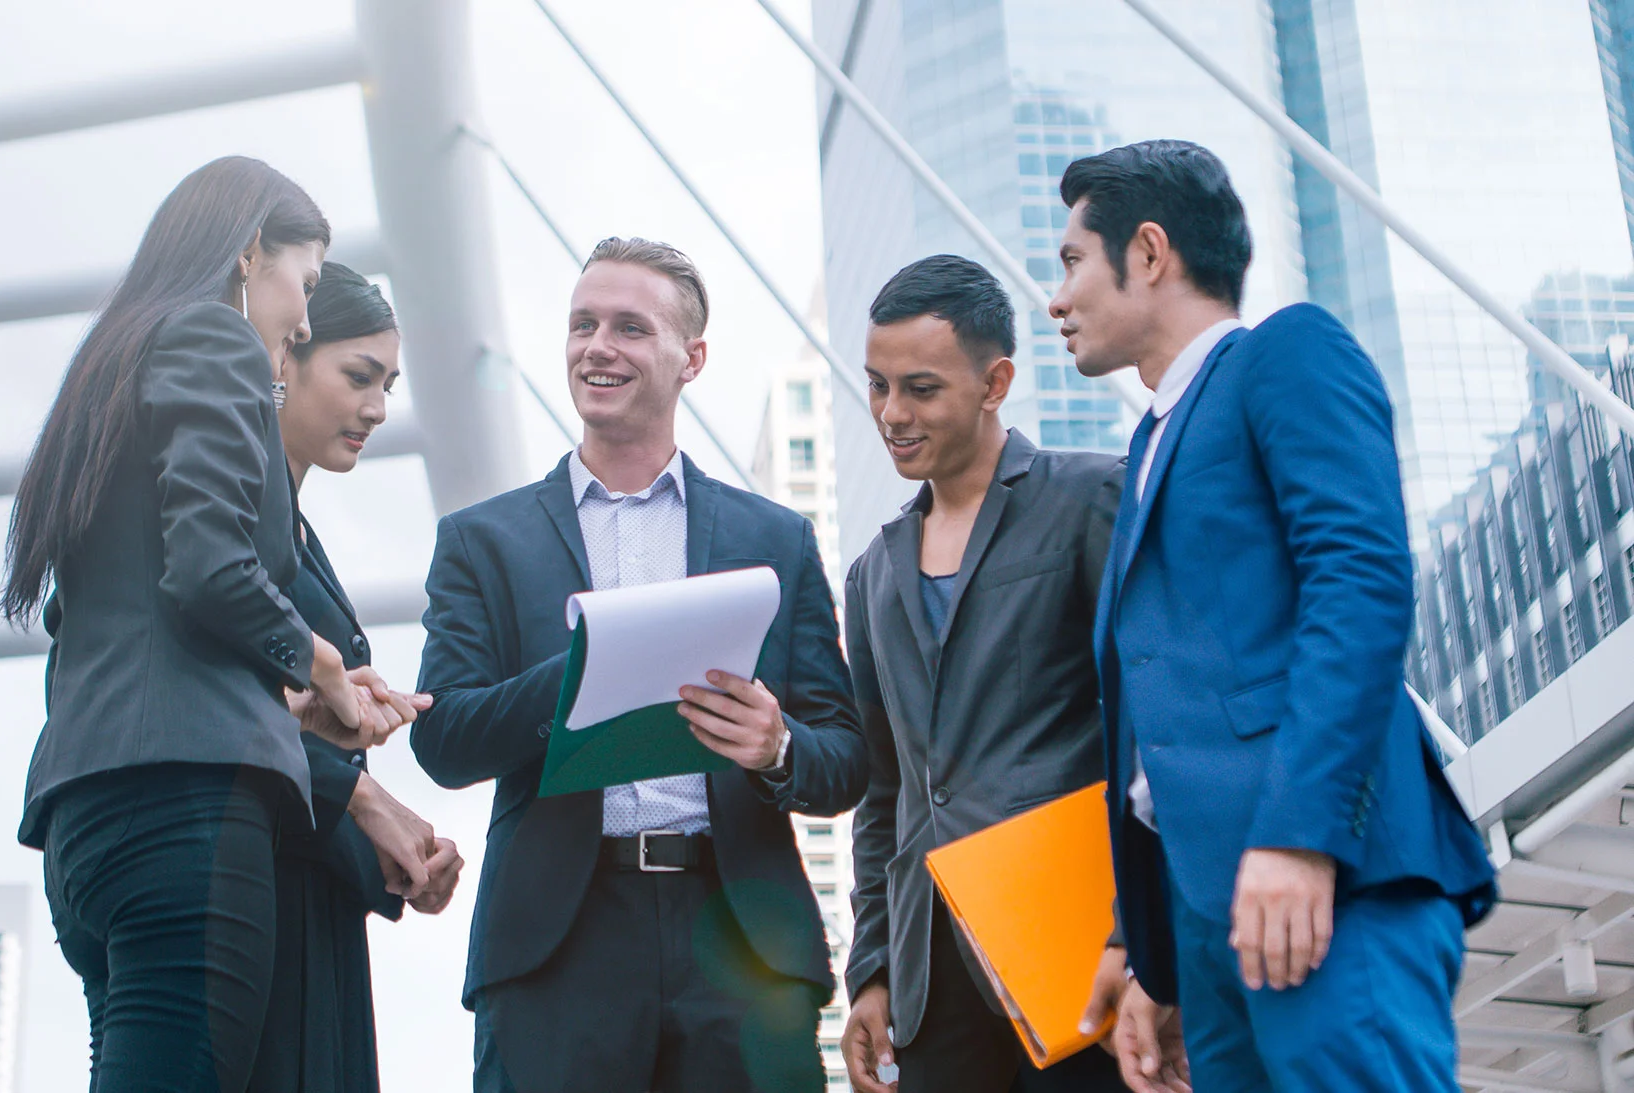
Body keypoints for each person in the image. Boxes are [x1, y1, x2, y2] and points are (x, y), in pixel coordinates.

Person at [1046, 140, 1497, 1093]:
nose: (1057, 298)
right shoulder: (1149, 446)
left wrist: (1300, 834)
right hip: (1212, 921)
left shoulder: (1284, 355)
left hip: (1324, 880)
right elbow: (1164, 718)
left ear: (1151, 252)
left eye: (1073, 261)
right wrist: (1151, 952)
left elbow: (1360, 580)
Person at [4, 156, 425, 1093]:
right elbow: (207, 564)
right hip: (184, 819)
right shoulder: (213, 340)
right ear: (249, 254)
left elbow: (123, 614)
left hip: (87, 824)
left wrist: (296, 706)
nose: (305, 317)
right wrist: (320, 668)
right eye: (305, 283)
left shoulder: (112, 370)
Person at [412, 236, 868, 1093]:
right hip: (558, 944)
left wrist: (775, 744)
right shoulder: (482, 542)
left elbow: (843, 758)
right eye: (583, 324)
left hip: (740, 941)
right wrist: (590, 673)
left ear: (691, 358)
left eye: (629, 327)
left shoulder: (774, 539)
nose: (597, 347)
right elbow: (445, 743)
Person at [834, 255, 1129, 1093]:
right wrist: (875, 968)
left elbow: (1150, 729)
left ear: (996, 381)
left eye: (921, 388)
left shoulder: (1090, 497)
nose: (893, 413)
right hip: (934, 980)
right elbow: (885, 793)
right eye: (877, 385)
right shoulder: (871, 574)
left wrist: (1138, 934)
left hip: (1078, 951)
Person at [250, 262, 466, 1093]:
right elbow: (228, 715)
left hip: (311, 900)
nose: (378, 407)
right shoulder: (238, 533)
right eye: (357, 376)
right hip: (259, 898)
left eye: (389, 384)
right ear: (285, 360)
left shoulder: (296, 534)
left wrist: (395, 857)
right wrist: (374, 811)